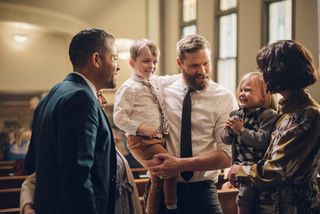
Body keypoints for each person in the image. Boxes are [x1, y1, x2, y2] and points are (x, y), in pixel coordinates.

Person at [23, 28, 142, 214]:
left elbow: (31, 163)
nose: (118, 66)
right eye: (114, 58)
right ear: (96, 59)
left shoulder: (52, 95)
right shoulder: (82, 99)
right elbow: (77, 178)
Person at [148, 34, 238, 214]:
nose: (203, 71)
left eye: (206, 63)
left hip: (202, 189)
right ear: (180, 63)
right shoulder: (160, 90)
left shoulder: (224, 97)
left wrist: (179, 165)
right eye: (195, 65)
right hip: (162, 187)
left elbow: (226, 156)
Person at [228, 40, 320, 213]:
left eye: (265, 69)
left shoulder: (307, 114)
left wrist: (240, 169)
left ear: (279, 72)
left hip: (294, 208)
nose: (262, 75)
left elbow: (277, 170)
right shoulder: (285, 112)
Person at [113, 39, 179, 214]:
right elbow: (119, 117)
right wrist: (141, 127)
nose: (151, 66)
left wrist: (185, 72)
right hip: (141, 140)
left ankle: (152, 210)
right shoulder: (129, 88)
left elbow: (170, 79)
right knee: (171, 167)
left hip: (156, 139)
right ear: (132, 62)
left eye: (155, 61)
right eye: (146, 61)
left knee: (157, 177)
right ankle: (172, 205)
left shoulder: (155, 82)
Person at [220, 71, 278, 214]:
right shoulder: (236, 114)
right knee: (241, 194)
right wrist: (228, 131)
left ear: (264, 95)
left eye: (248, 90)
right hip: (239, 166)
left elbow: (262, 141)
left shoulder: (268, 115)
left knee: (244, 197)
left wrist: (241, 130)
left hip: (256, 167)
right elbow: (225, 140)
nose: (242, 93)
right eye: (241, 90)